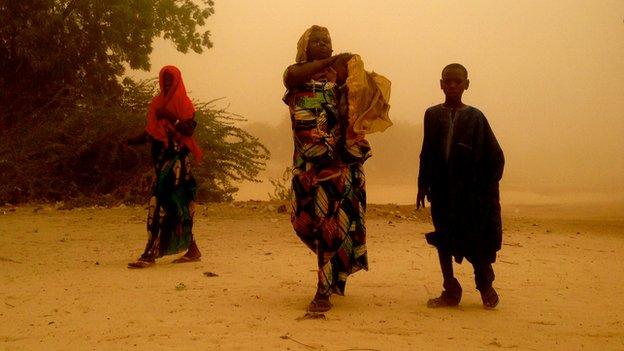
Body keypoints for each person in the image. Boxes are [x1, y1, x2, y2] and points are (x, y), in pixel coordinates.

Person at [283, 25, 391, 312]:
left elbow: (356, 116)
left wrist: (344, 85)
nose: (321, 44)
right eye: (315, 41)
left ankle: (323, 290)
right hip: (306, 167)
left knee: (329, 225)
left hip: (338, 169)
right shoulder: (297, 79)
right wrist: (333, 63)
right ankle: (329, 279)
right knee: (304, 222)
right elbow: (291, 76)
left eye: (326, 41)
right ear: (304, 47)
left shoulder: (343, 81)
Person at [417, 63, 504, 309]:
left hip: (470, 195)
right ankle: (450, 289)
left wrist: (483, 189)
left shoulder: (476, 117)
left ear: (467, 84)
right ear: (441, 84)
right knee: (443, 239)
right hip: (442, 191)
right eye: (448, 81)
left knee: (475, 239)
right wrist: (422, 184)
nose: (453, 85)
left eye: (458, 81)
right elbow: (427, 151)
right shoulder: (432, 114)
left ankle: (485, 285)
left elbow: (496, 157)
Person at [126, 65, 203, 269]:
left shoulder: (185, 104)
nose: (167, 84)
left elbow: (188, 130)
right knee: (175, 207)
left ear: (177, 82)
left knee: (159, 203)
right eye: (164, 80)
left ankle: (150, 252)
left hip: (178, 164)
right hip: (161, 161)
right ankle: (192, 248)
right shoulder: (156, 104)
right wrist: (131, 141)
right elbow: (150, 132)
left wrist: (169, 116)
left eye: (170, 81)